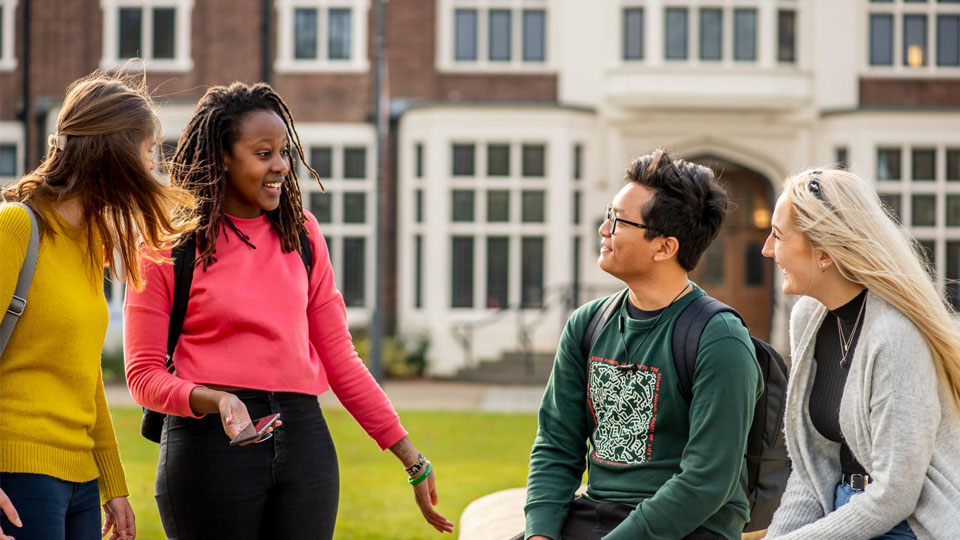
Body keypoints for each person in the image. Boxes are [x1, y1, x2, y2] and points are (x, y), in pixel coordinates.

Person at [122, 81, 454, 539]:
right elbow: (142, 376)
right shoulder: (166, 245)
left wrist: (410, 457)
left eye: (283, 152)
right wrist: (218, 400)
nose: (280, 166)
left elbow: (341, 358)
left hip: (305, 444)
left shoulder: (302, 234)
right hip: (209, 448)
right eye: (263, 154)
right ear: (221, 157)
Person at [520, 149, 763, 540]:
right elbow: (556, 444)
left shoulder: (720, 339)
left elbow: (705, 482)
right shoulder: (587, 324)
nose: (603, 229)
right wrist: (540, 534)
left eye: (617, 221)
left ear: (664, 247)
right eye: (607, 215)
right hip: (595, 515)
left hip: (691, 528)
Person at [0, 71, 194, 540]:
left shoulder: (91, 243)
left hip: (81, 480)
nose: (152, 169)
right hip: (19, 470)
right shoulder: (17, 228)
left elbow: (84, 377)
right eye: (147, 153)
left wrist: (113, 483)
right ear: (112, 156)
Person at [761, 169, 960, 540]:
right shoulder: (808, 316)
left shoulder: (896, 337)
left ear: (823, 253)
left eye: (777, 235)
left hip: (909, 526)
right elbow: (813, 471)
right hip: (842, 512)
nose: (767, 250)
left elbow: (895, 497)